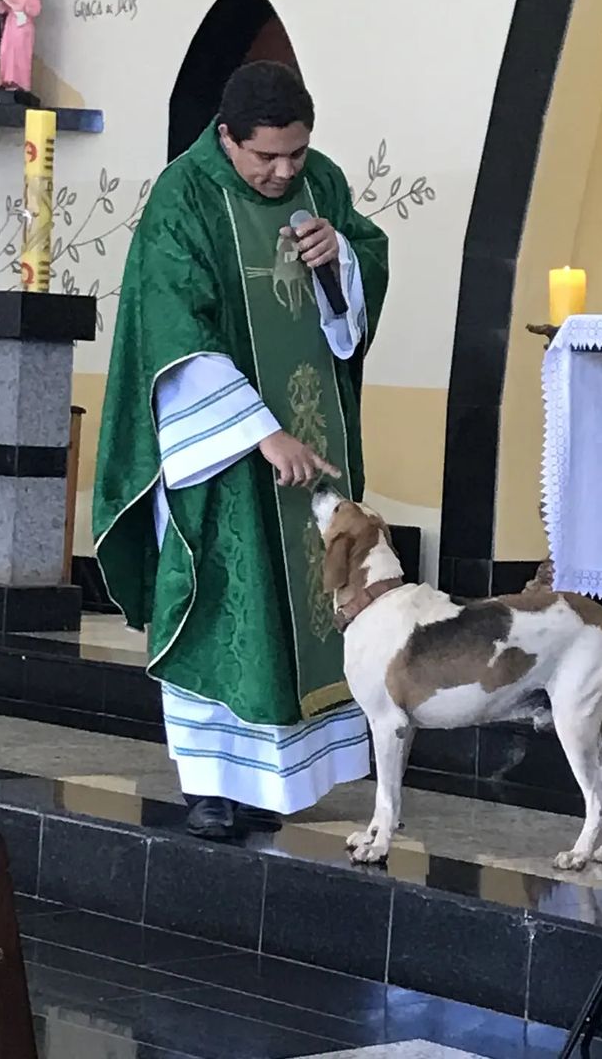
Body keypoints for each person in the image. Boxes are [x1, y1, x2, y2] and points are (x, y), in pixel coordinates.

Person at [93, 62, 389, 839]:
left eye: (296, 154)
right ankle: (212, 786)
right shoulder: (183, 195)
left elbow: (362, 269)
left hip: (312, 440)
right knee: (227, 604)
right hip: (219, 462)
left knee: (304, 606)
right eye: (267, 158)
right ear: (226, 137)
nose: (284, 172)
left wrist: (342, 265)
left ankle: (275, 781)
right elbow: (173, 328)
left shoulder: (319, 182)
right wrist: (262, 433)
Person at [0, 0, 40, 93]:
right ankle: (8, 82)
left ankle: (21, 86)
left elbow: (34, 10)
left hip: (23, 29)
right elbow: (2, 10)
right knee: (6, 53)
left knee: (20, 56)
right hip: (10, 27)